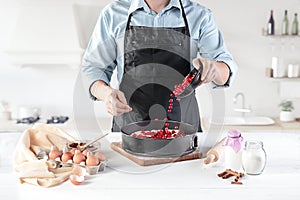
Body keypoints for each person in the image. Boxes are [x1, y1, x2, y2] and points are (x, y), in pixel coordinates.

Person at [82, 0, 237, 132]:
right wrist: (106, 94)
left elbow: (225, 70)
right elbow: (93, 69)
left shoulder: (199, 16)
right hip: (130, 129)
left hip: (184, 129)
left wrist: (214, 69)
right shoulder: (113, 14)